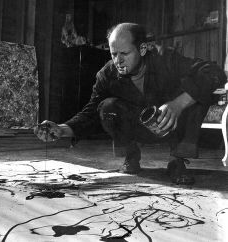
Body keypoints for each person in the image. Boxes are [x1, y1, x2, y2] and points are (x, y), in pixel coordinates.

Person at [35, 22, 226, 184]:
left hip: (174, 126)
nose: (117, 61)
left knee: (197, 91)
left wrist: (178, 104)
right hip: (139, 128)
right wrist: (62, 129)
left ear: (142, 49)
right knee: (107, 106)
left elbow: (215, 72)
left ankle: (177, 161)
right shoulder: (107, 74)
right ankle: (131, 156)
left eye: (124, 53)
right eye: (113, 54)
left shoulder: (164, 58)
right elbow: (92, 111)